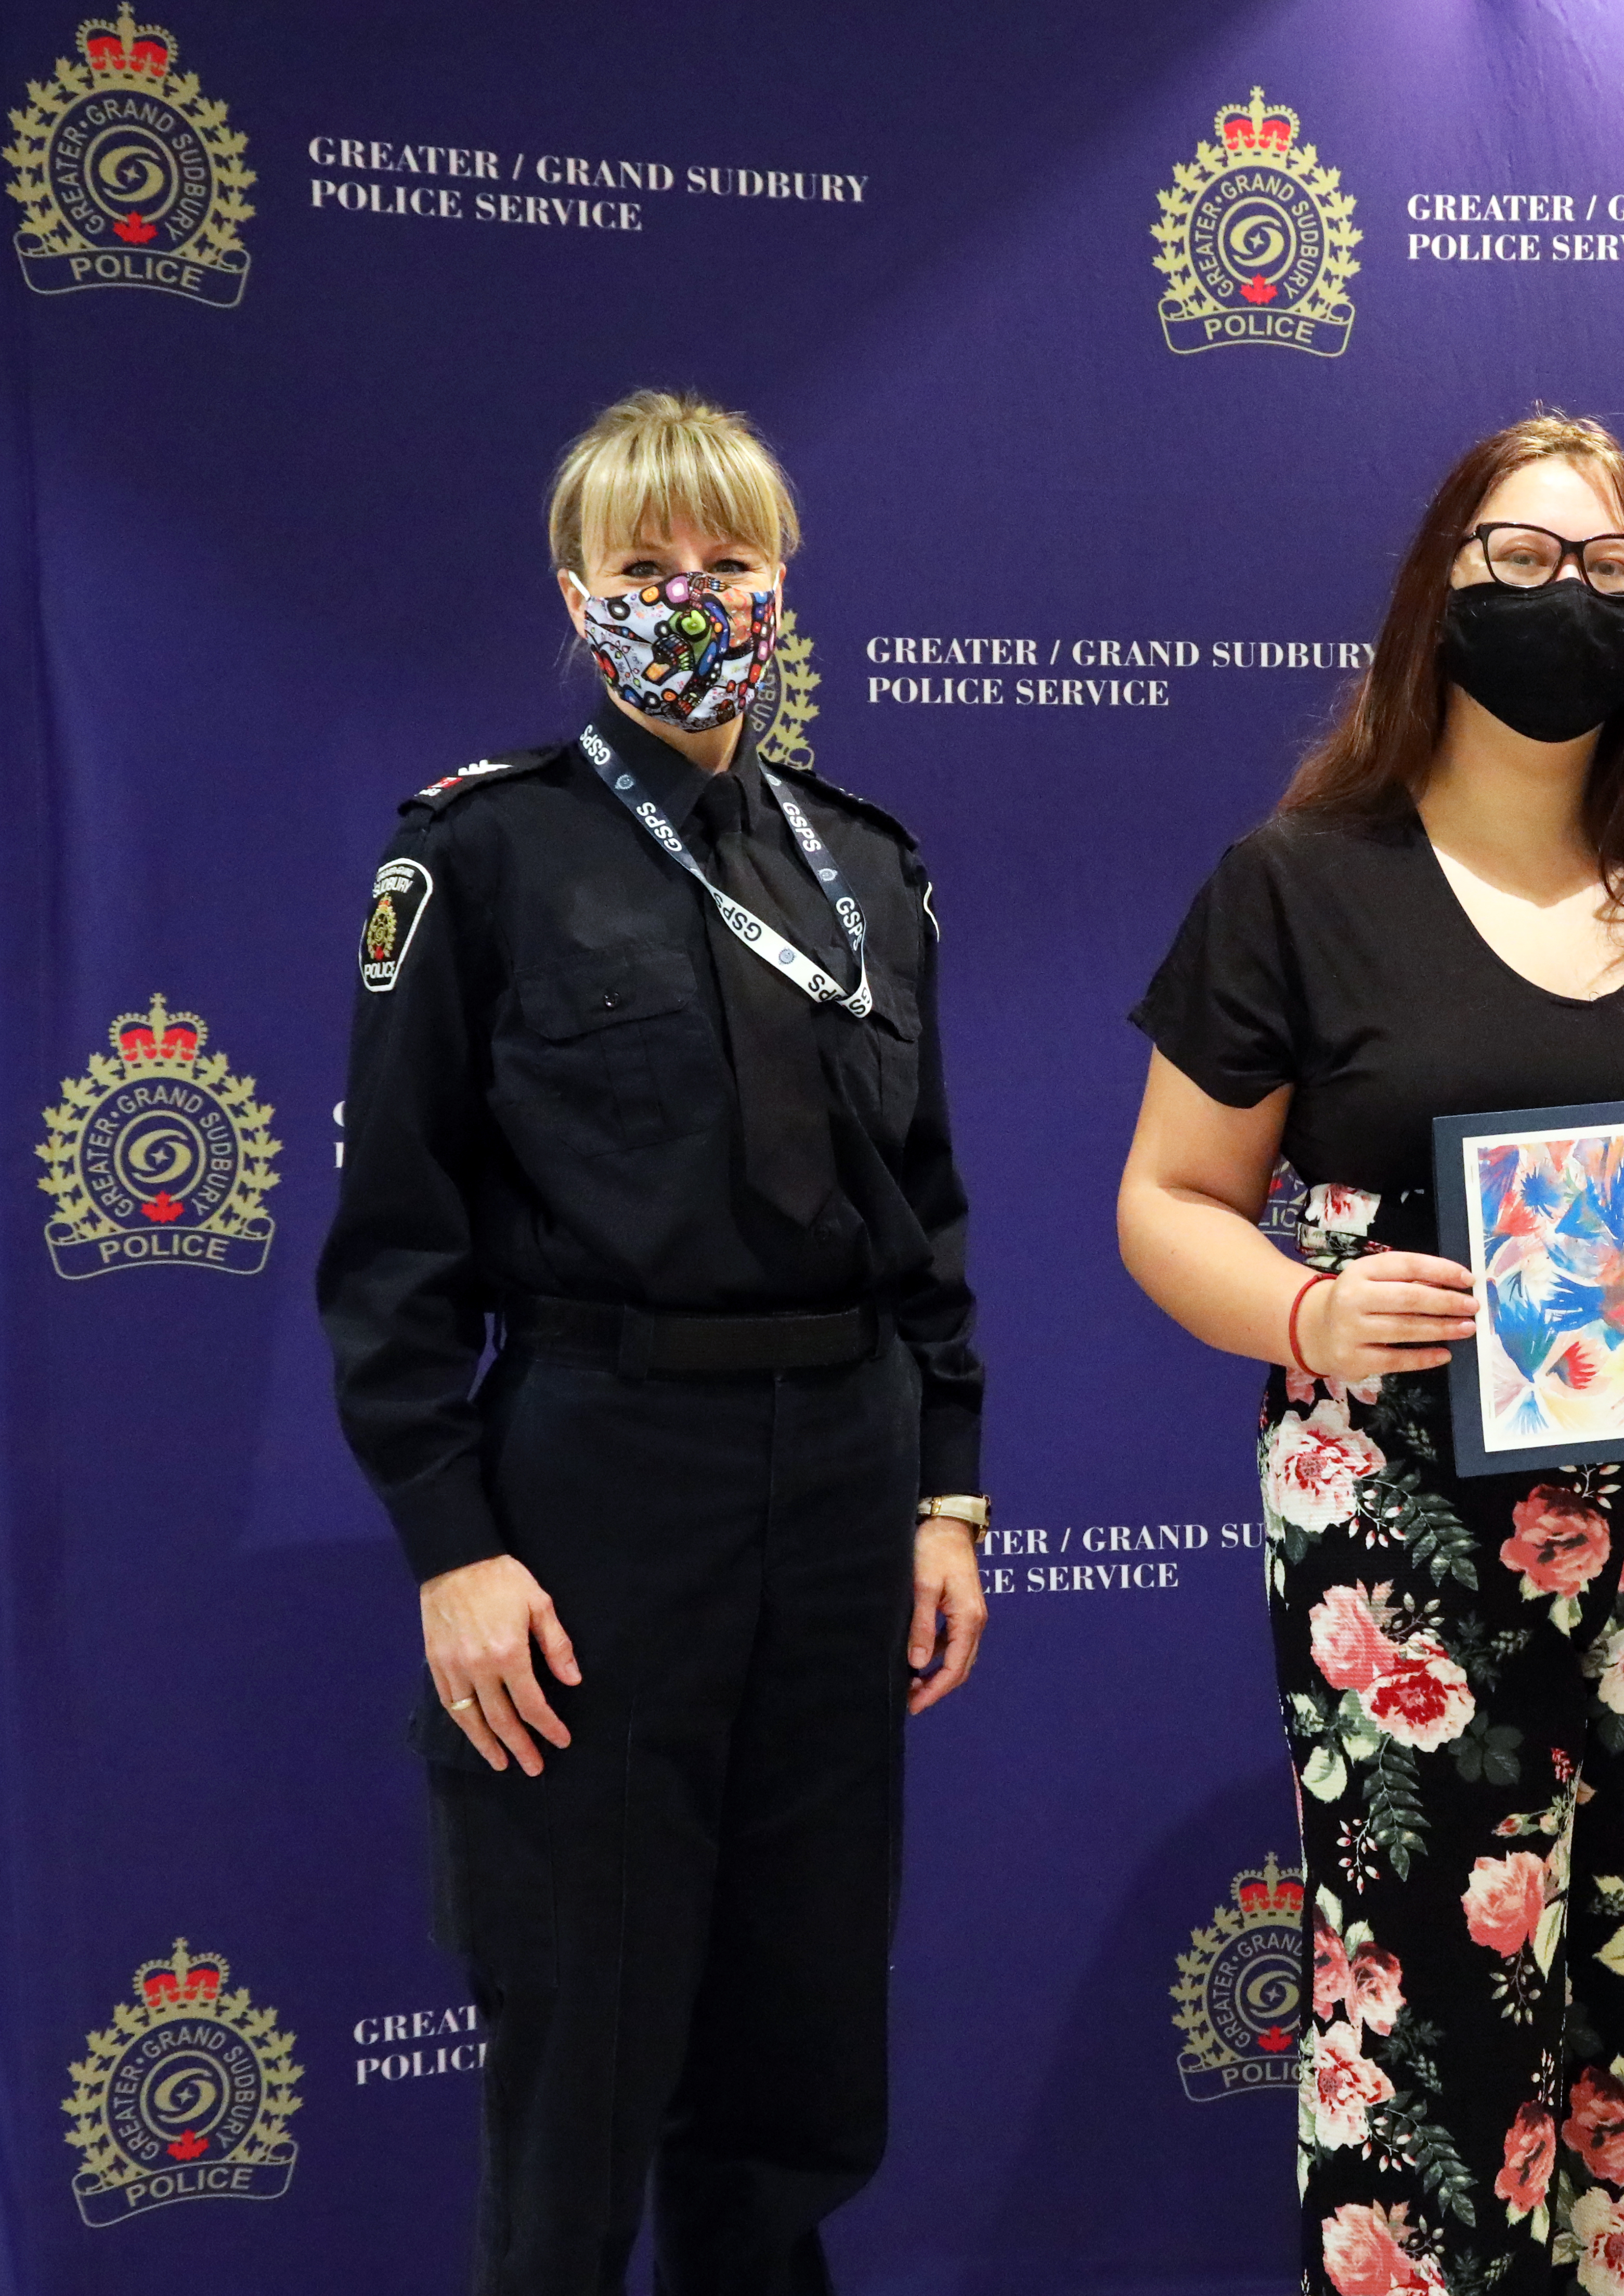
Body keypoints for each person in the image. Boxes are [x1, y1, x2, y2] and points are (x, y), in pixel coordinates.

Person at [1118, 412, 1624, 2296]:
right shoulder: (1300, 879)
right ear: (1438, 586)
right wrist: (1311, 1311)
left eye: (1606, 569)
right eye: (1516, 557)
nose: (1560, 599)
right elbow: (1169, 1200)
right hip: (1410, 1566)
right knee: (1423, 2038)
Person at [317, 389, 989, 2296]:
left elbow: (922, 1210)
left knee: (801, 2042)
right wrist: (455, 1545)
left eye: (732, 565)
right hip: (605, 1481)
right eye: (645, 568)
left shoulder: (869, 871)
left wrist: (946, 1492)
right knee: (583, 2031)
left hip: (846, 1477)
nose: (691, 598)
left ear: (787, 590)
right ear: (575, 594)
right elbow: (392, 1253)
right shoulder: (483, 860)